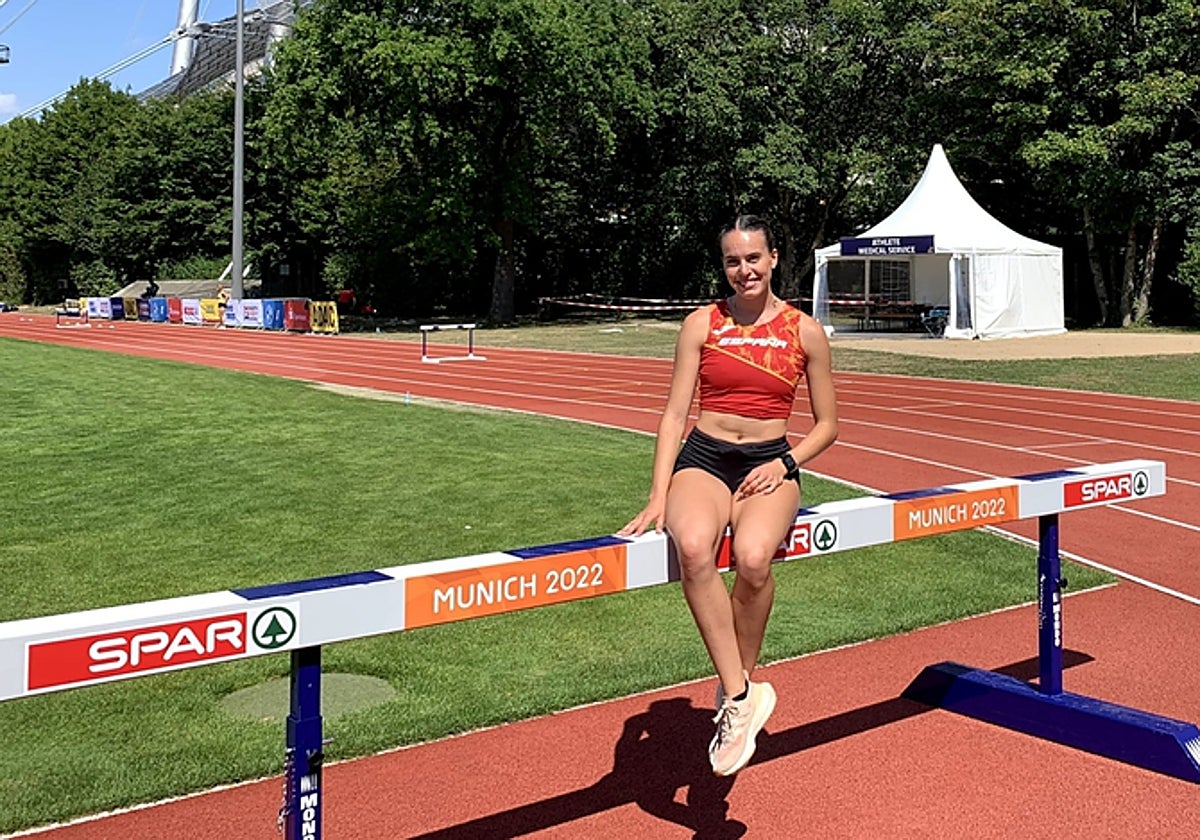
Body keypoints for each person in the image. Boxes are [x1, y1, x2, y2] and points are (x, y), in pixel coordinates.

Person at [618, 214, 838, 777]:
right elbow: (674, 416)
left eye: (753, 258)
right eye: (733, 261)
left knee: (753, 558)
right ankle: (740, 697)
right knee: (693, 547)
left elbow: (828, 426)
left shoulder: (805, 331)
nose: (744, 270)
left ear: (773, 259)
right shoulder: (701, 324)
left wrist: (784, 464)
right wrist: (658, 494)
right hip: (705, 458)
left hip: (770, 462)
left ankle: (737, 684)